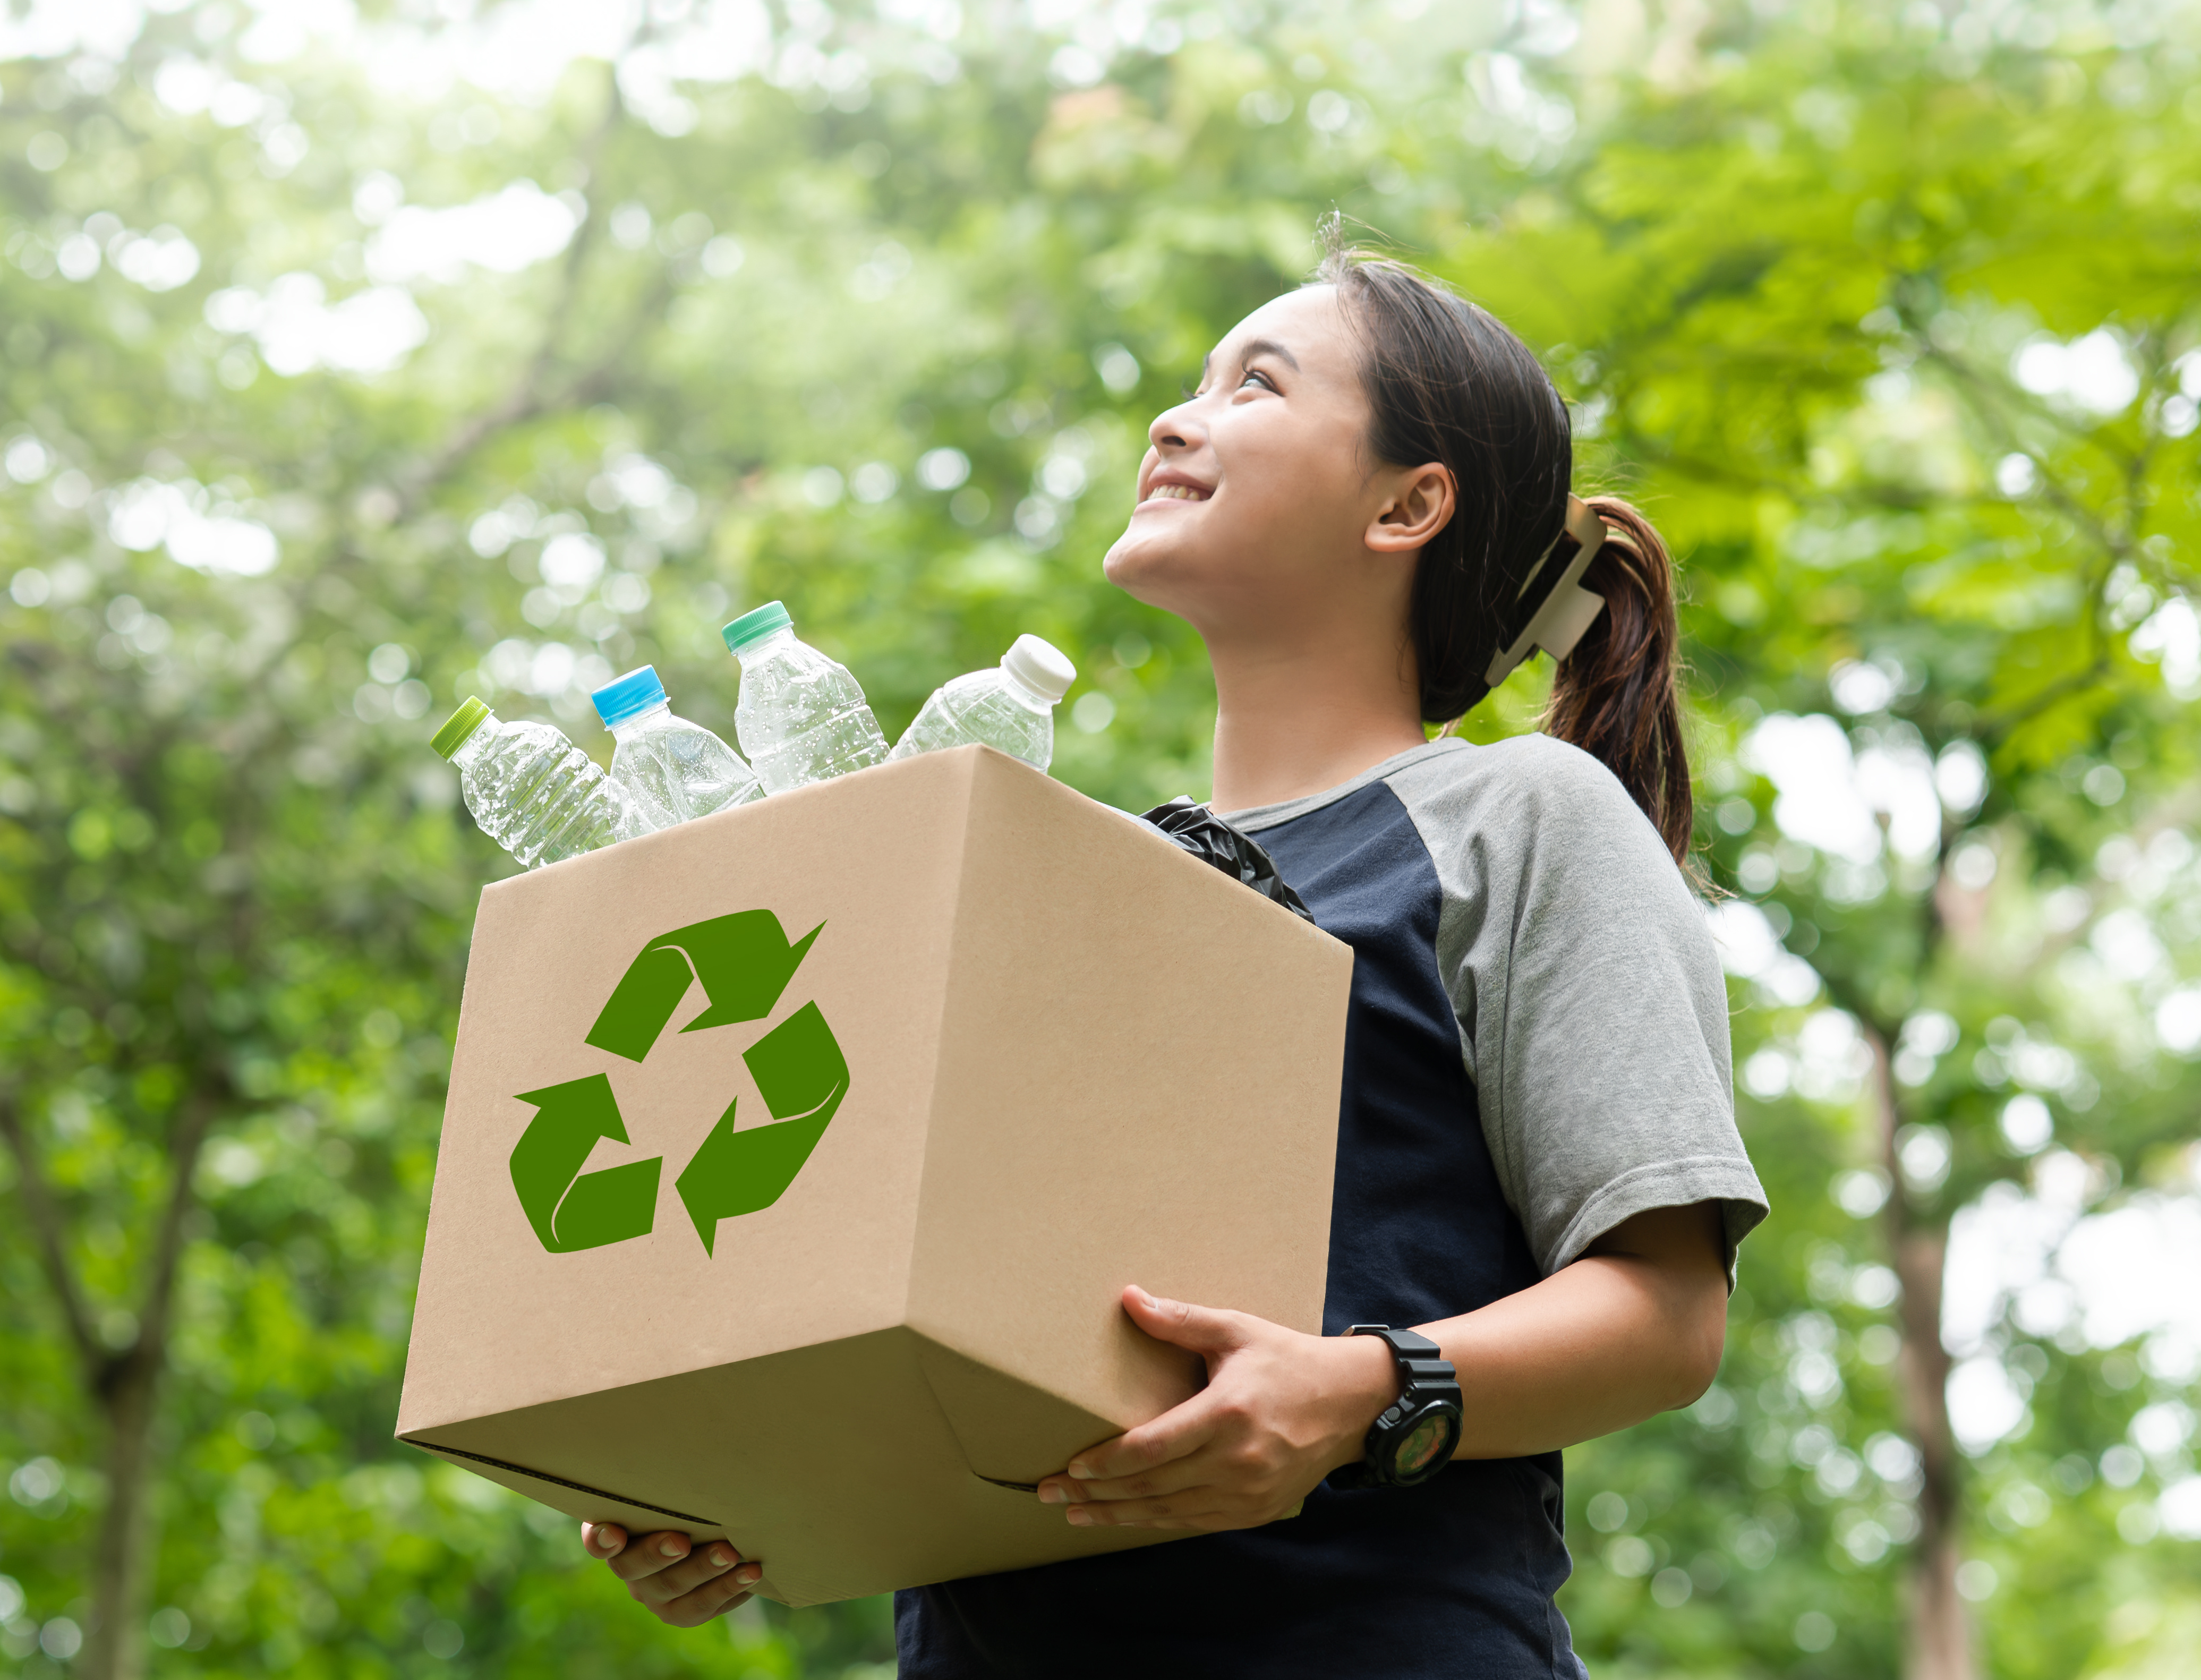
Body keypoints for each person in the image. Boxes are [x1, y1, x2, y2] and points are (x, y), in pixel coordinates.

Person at [582, 238, 1769, 1674]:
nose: (1173, 418)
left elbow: (1666, 1310)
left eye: (1255, 384)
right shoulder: (1085, 879)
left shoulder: (1517, 818)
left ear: (1409, 503)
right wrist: (729, 1468)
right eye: (1190, 382)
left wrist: (1357, 1393)